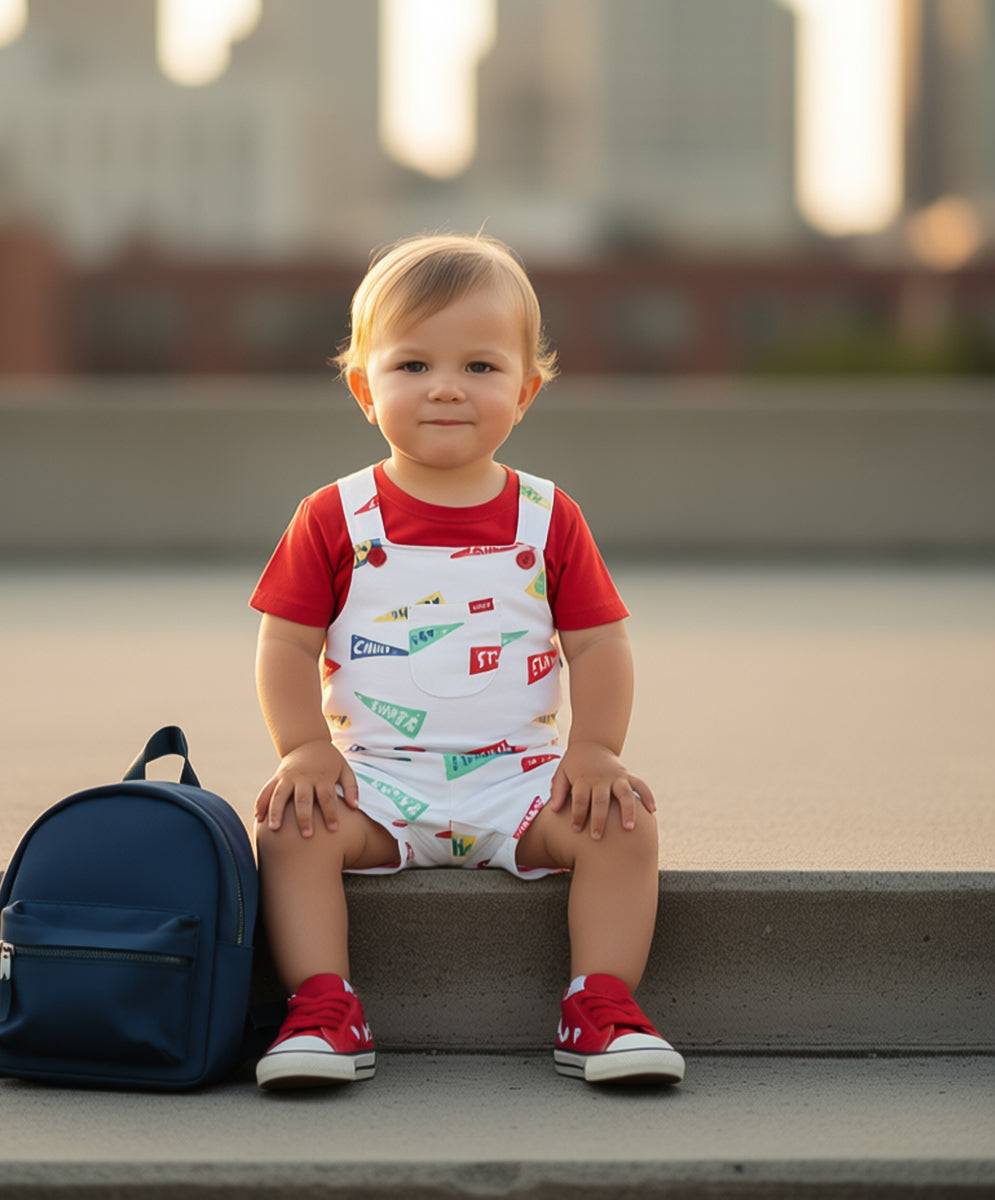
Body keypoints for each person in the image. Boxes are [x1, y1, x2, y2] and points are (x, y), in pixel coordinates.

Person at [249, 232, 683, 1090]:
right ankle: (324, 1007)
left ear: (524, 391)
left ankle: (600, 1007)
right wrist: (305, 748)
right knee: (289, 829)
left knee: (625, 825)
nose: (446, 386)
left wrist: (593, 751)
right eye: (412, 365)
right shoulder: (334, 515)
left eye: (479, 368)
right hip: (375, 778)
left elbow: (598, 644)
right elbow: (287, 643)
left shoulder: (547, 517)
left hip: (518, 781)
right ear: (364, 390)